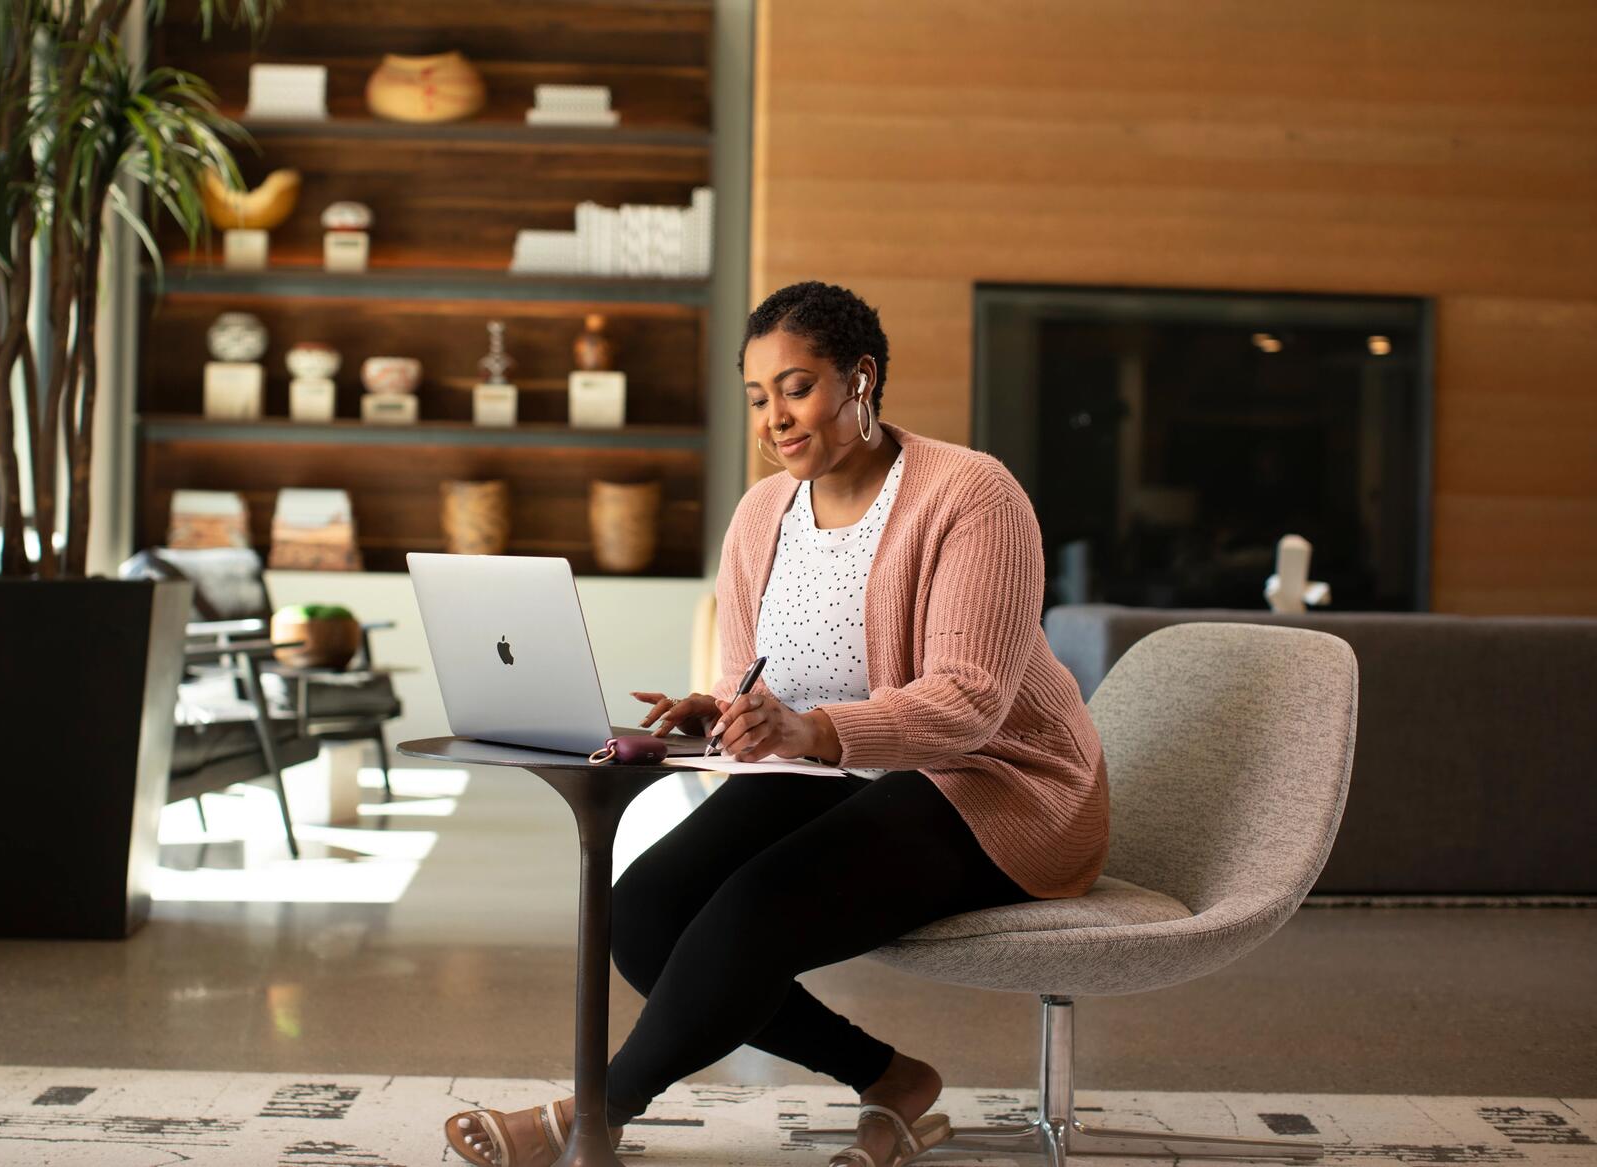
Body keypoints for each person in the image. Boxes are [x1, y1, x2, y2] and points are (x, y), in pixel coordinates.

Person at [445, 281, 1109, 1167]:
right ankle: (889, 1077)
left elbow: (969, 703)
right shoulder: (763, 514)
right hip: (834, 773)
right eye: (759, 398)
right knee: (644, 908)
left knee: (757, 904)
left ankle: (592, 1116)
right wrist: (722, 711)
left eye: (796, 388)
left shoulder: (972, 496)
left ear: (860, 380)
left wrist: (810, 733)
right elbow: (764, 682)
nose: (775, 418)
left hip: (996, 784)